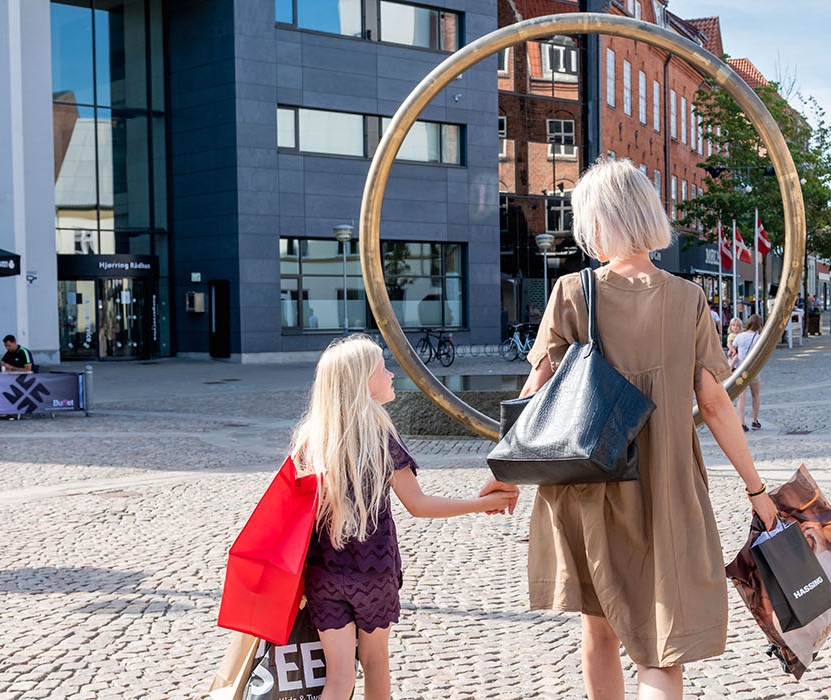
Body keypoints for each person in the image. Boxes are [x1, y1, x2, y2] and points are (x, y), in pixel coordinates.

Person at [478, 158, 778, 700]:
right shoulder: (688, 298)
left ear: (593, 220)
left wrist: (504, 476)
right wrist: (756, 491)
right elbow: (713, 404)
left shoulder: (571, 291)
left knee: (599, 629)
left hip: (587, 483)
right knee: (662, 646)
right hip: (667, 487)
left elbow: (535, 395)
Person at [293, 336, 513, 700]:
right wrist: (481, 504)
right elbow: (418, 504)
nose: (391, 374)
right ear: (362, 380)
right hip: (373, 572)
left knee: (338, 678)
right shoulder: (380, 436)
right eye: (382, 368)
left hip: (324, 574)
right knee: (376, 663)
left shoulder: (311, 440)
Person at [732, 314, 764, 430]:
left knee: (741, 397)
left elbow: (732, 350)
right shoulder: (759, 338)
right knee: (755, 395)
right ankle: (755, 420)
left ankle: (742, 423)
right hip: (753, 369)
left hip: (740, 369)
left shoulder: (740, 336)